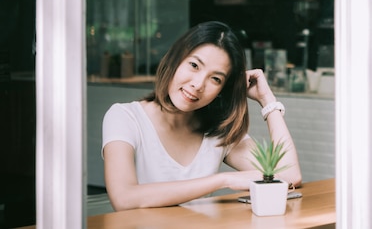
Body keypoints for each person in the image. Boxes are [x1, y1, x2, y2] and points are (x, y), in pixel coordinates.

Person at [102, 21, 302, 211]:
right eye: (194, 65)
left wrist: (267, 101)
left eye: (215, 79)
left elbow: (289, 175)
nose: (198, 84)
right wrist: (223, 180)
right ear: (175, 59)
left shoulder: (218, 132)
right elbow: (124, 198)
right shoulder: (125, 117)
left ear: (222, 90)